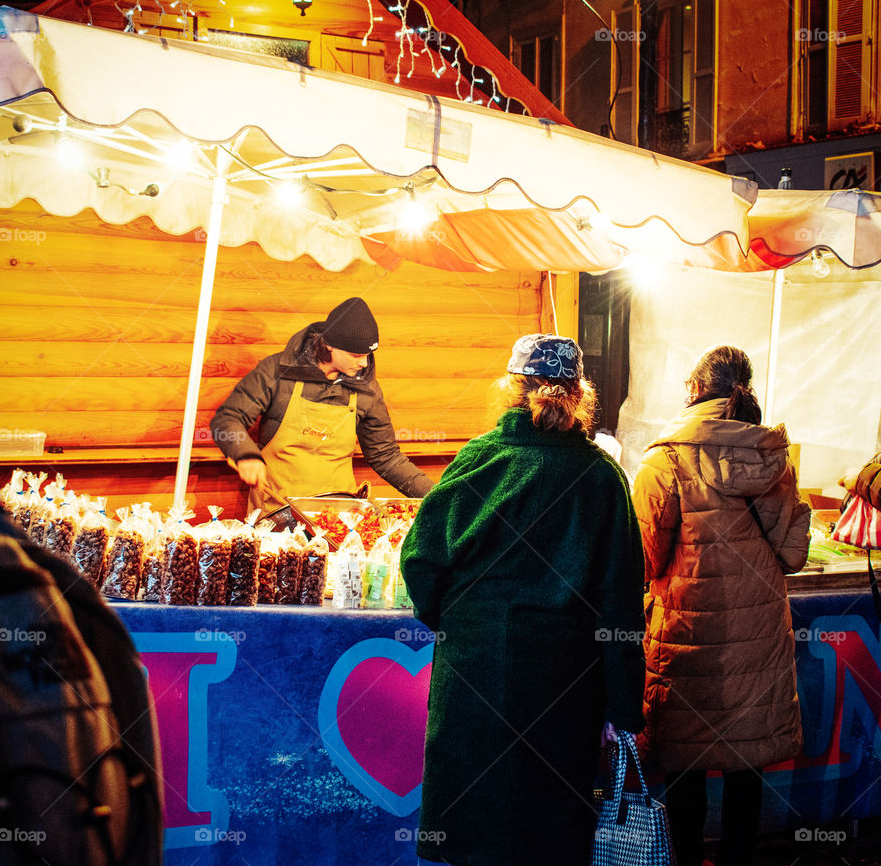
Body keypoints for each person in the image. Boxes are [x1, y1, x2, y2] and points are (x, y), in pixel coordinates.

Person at [399, 333, 646, 866]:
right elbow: (621, 600)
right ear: (579, 395)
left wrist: (454, 621)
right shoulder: (601, 477)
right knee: (550, 829)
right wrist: (622, 706)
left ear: (512, 388)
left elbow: (420, 560)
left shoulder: (478, 460)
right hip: (565, 685)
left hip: (473, 673)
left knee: (475, 823)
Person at [631, 345, 810, 866]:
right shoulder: (772, 457)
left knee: (685, 758)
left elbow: (644, 559)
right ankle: (736, 858)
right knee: (746, 757)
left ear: (693, 389)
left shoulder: (663, 460)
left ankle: (687, 858)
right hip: (758, 632)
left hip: (688, 632)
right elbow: (793, 555)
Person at [210, 297, 433, 514]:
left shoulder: (367, 388)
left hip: (339, 516)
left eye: (368, 355)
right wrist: (245, 455)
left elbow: (386, 456)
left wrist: (437, 497)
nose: (364, 363)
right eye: (356, 354)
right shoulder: (276, 371)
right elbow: (227, 419)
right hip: (275, 513)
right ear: (329, 345)